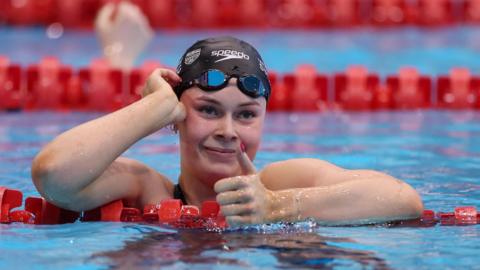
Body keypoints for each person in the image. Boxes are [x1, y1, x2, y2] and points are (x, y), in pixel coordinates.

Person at [31, 36, 423, 227]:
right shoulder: (144, 188)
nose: (228, 131)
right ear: (177, 115)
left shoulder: (281, 182)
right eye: (208, 110)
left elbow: (403, 199)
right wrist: (152, 108)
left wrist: (278, 207)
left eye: (247, 115)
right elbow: (54, 176)